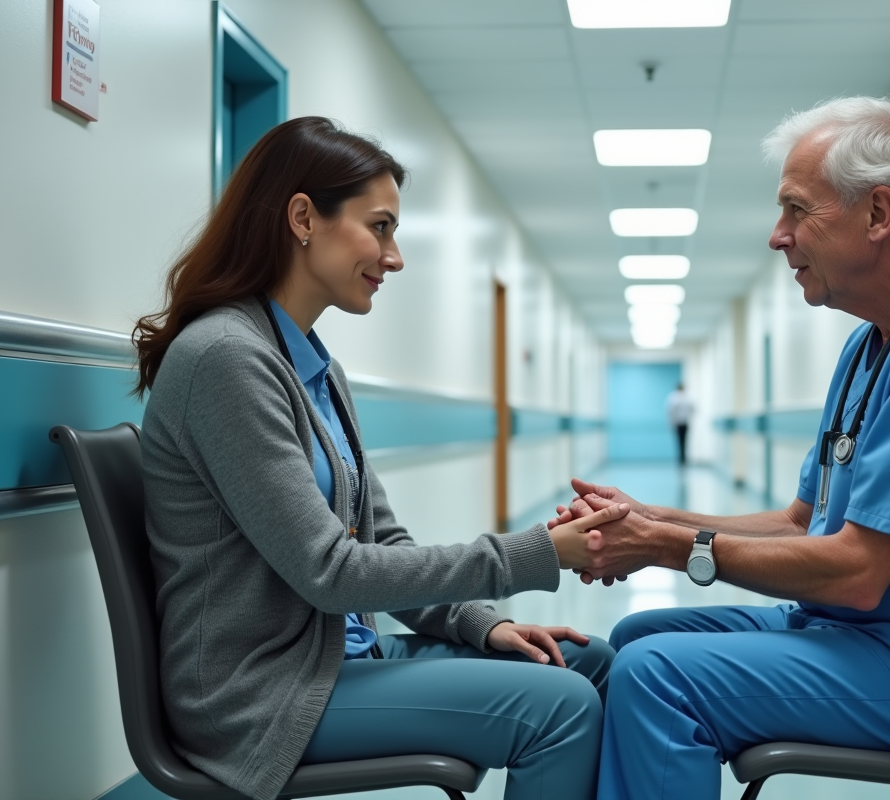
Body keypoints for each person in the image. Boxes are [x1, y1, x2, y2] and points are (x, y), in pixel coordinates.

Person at [552, 97, 890, 800]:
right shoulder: (874, 342)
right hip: (880, 634)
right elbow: (805, 522)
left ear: (878, 213)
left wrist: (669, 549)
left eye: (797, 210)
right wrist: (650, 519)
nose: (778, 236)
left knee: (657, 676)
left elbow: (858, 573)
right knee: (640, 636)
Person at [134, 117, 627, 800]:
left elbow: (383, 542)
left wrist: (488, 624)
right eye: (381, 227)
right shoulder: (225, 360)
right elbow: (332, 574)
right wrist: (543, 551)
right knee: (562, 707)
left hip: (334, 656)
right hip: (261, 694)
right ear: (303, 217)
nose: (394, 258)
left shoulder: (315, 367)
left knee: (587, 662)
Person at [665, 383, 694, 464]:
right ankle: (681, 458)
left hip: (685, 422)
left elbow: (692, 408)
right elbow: (670, 411)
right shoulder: (673, 397)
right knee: (680, 440)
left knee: (684, 440)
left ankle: (683, 458)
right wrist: (672, 423)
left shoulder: (688, 397)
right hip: (678, 422)